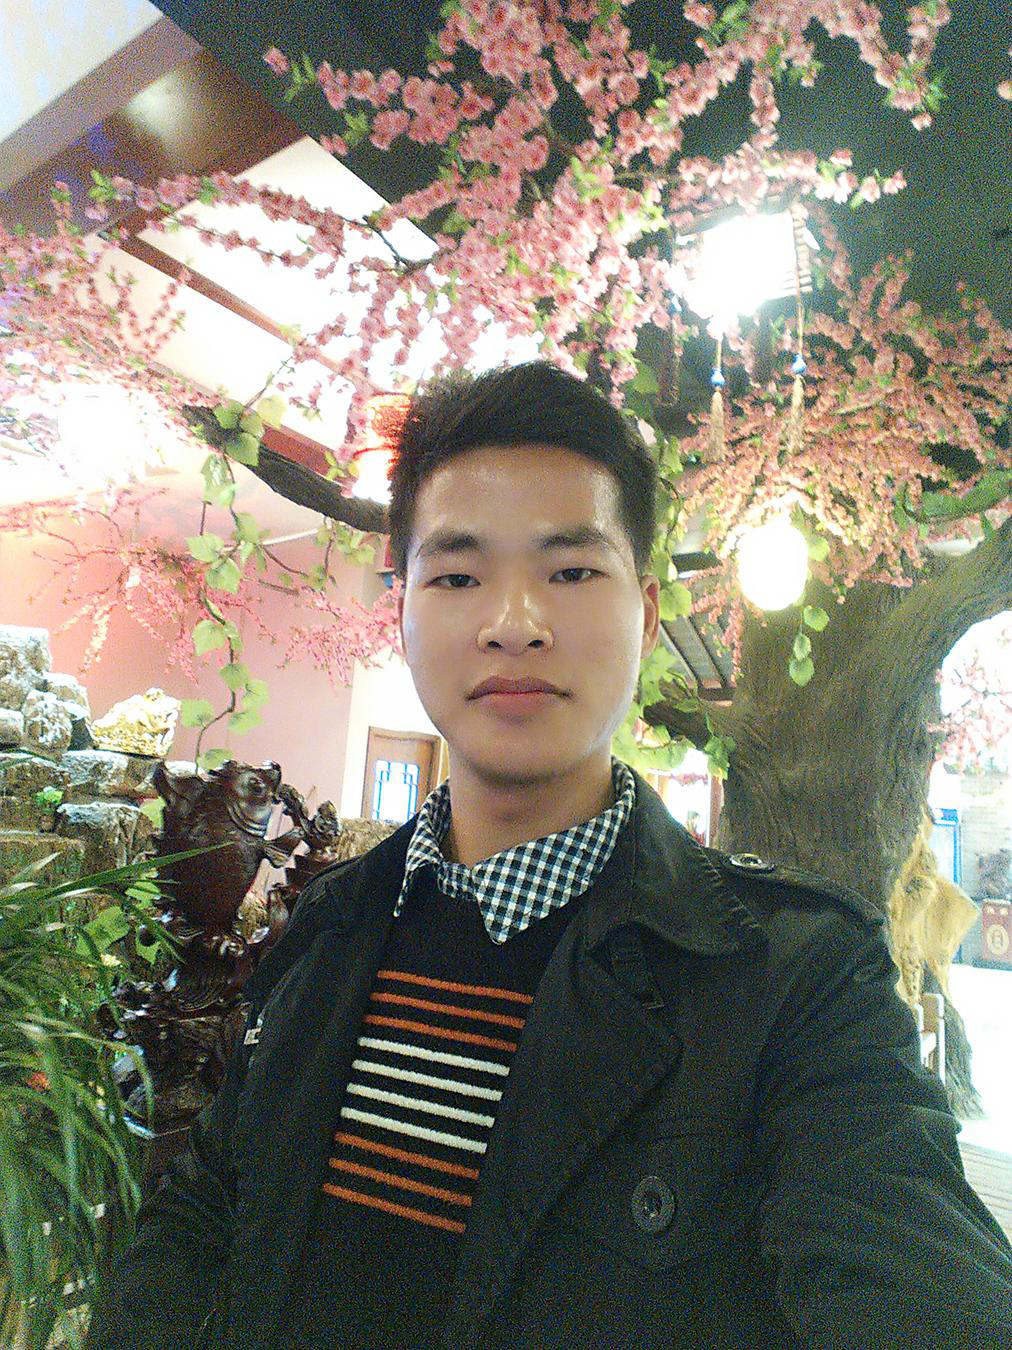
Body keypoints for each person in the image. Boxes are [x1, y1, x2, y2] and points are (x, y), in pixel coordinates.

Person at [86, 361, 1012, 1349]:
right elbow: (201, 1218)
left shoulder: (796, 978)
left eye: (570, 571)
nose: (513, 624)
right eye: (457, 576)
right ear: (401, 615)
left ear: (645, 616)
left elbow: (907, 1265)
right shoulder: (327, 920)